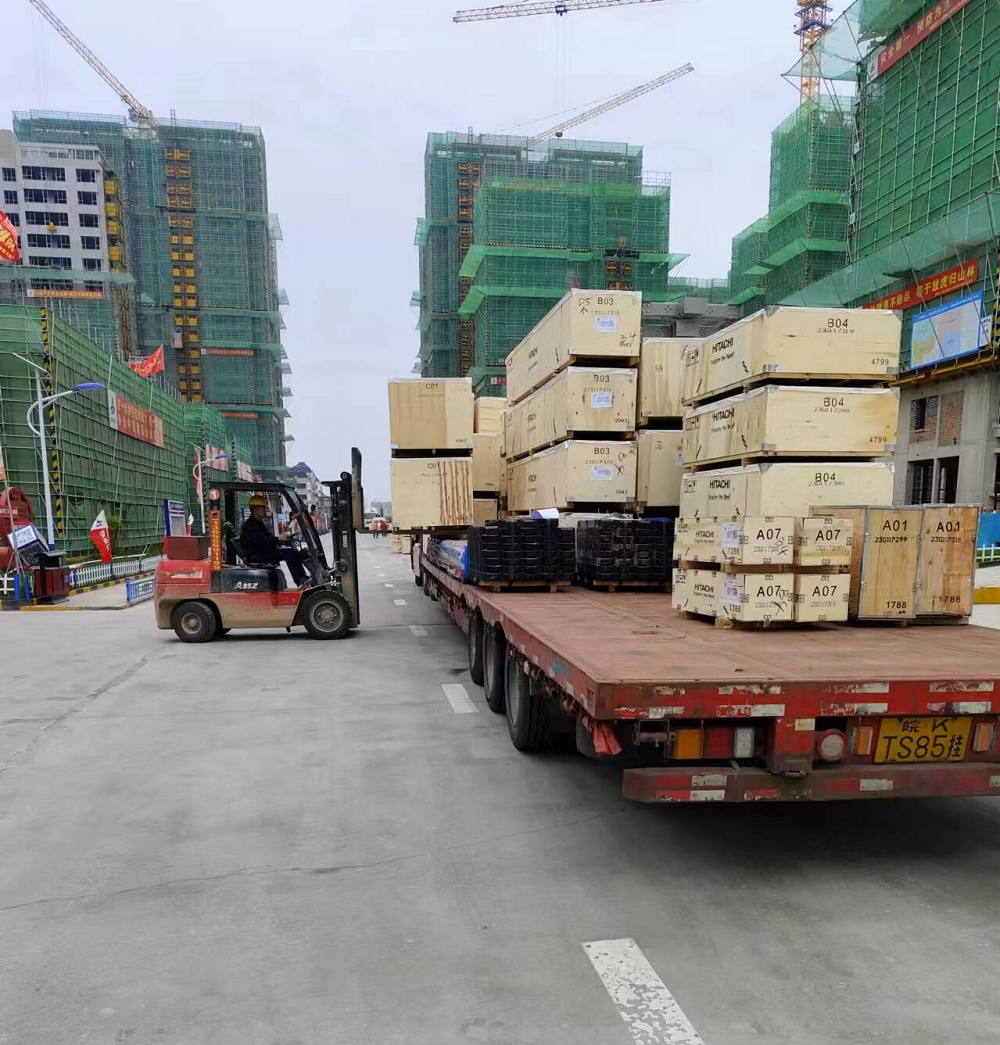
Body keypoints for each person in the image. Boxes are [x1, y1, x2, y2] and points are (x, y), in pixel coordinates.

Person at [240, 494, 309, 586]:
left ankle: (303, 577)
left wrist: (281, 540)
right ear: (255, 510)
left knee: (292, 551)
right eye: (263, 508)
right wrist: (278, 539)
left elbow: (267, 539)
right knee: (288, 553)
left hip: (261, 551)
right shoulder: (250, 525)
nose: (266, 510)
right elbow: (261, 542)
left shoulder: (258, 523)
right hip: (257, 554)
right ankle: (300, 580)